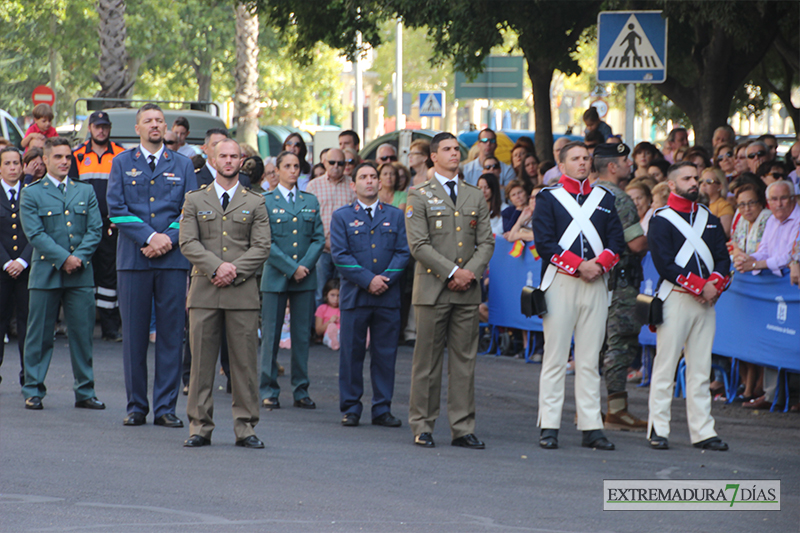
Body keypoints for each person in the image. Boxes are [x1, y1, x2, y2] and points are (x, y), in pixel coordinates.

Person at [107, 103, 198, 428]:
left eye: (160, 120)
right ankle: (136, 407)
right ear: (137, 128)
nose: (155, 125)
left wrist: (167, 239)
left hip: (172, 260)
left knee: (172, 334)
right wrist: (149, 237)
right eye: (148, 121)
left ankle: (165, 408)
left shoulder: (184, 164)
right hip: (134, 259)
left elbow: (190, 211)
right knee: (134, 336)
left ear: (167, 128)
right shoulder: (121, 162)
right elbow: (116, 209)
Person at [531, 141, 625, 451]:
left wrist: (598, 265)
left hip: (595, 280)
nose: (583, 163)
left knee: (589, 360)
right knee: (556, 358)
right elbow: (545, 243)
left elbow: (616, 240)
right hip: (561, 281)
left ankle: (591, 428)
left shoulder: (604, 198)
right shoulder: (549, 198)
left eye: (586, 158)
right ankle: (549, 425)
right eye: (575, 158)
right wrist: (579, 266)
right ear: (562, 166)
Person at [178, 138, 270, 449]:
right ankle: (200, 426)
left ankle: (245, 427)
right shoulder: (195, 200)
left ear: (242, 160)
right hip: (205, 290)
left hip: (242, 293)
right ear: (212, 159)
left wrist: (233, 270)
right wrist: (217, 268)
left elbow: (262, 247)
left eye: (234, 156)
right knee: (202, 363)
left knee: (244, 365)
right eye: (223, 156)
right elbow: (188, 242)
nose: (228, 161)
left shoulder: (256, 202)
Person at [405, 132, 494, 449]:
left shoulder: (474, 195)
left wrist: (470, 273)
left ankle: (462, 427)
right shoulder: (419, 196)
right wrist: (454, 272)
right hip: (433, 290)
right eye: (447, 149)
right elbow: (418, 245)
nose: (454, 153)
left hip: (466, 291)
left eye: (457, 149)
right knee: (426, 363)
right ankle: (423, 424)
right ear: (433, 156)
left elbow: (486, 241)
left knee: (464, 362)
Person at [647, 161, 731, 451]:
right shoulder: (660, 219)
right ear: (672, 185)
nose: (694, 182)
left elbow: (723, 258)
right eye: (687, 178)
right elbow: (665, 263)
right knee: (665, 366)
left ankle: (703, 431)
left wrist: (714, 285)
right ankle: (658, 429)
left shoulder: (708, 216)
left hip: (706, 300)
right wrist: (701, 286)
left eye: (696, 178)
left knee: (700, 368)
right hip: (676, 298)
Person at [19, 137, 104, 410]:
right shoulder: (31, 193)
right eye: (58, 157)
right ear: (45, 160)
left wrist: (77, 258)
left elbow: (95, 230)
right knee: (39, 335)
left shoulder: (85, 191)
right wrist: (64, 258)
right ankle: (33, 389)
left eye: (68, 157)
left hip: (80, 273)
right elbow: (35, 234)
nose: (64, 161)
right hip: (46, 273)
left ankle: (85, 390)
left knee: (82, 335)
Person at [331, 161, 410, 427]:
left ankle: (382, 408)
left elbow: (403, 252)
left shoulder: (395, 215)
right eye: (363, 177)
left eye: (373, 177)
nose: (369, 181)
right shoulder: (342, 216)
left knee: (385, 354)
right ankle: (351, 407)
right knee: (351, 354)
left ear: (379, 182)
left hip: (387, 295)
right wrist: (369, 280)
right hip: (356, 295)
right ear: (353, 185)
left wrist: (384, 279)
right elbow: (340, 256)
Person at [259, 151, 324, 410]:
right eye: (287, 166)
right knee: (271, 335)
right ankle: (268, 388)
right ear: (277, 171)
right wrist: (291, 268)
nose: (293, 171)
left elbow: (318, 238)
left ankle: (301, 389)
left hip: (304, 278)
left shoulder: (310, 200)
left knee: (300, 336)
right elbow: (264, 241)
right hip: (276, 275)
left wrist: (303, 267)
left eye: (296, 166)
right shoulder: (265, 200)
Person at [592, 143, 649, 431]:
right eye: (625, 160)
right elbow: (636, 243)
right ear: (612, 167)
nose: (630, 164)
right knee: (620, 342)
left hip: (595, 278)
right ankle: (616, 410)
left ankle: (587, 408)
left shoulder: (588, 193)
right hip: (621, 280)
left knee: (594, 343)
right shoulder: (620, 198)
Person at [68, 111, 126, 342]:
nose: (101, 130)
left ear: (109, 128)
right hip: (84, 226)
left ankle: (110, 328)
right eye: (97, 126)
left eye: (104, 126)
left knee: (109, 275)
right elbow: (71, 190)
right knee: (83, 274)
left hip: (111, 224)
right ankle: (83, 327)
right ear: (89, 128)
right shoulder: (78, 155)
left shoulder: (122, 154)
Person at [730, 183, 770, 403]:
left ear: (760, 202)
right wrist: (739, 255)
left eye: (751, 203)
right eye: (742, 204)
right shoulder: (741, 220)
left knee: (762, 335)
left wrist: (747, 260)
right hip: (745, 281)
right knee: (742, 334)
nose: (746, 209)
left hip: (764, 283)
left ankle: (759, 385)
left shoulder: (767, 218)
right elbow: (735, 243)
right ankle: (747, 381)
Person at [306, 148, 356, 307]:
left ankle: (342, 330)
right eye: (332, 162)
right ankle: (318, 331)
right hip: (321, 250)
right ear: (324, 163)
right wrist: (321, 240)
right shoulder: (313, 186)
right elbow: (308, 218)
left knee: (344, 291)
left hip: (346, 250)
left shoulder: (353, 186)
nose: (336, 166)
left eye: (341, 163)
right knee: (320, 291)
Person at [0, 147, 32, 386]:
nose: (12, 168)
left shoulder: (31, 194)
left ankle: (29, 377)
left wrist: (22, 260)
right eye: (7, 163)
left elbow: (38, 232)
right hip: (1, 271)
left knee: (27, 323)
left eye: (16, 163)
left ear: (22, 167)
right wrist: (5, 262)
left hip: (26, 270)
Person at [699, 168, 733, 237]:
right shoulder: (697, 204)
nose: (703, 184)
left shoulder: (724, 206)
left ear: (720, 186)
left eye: (709, 181)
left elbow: (724, 232)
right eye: (701, 181)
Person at [315, 279, 341, 350]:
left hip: (342, 334)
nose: (336, 299)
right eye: (332, 295)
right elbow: (318, 331)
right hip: (327, 334)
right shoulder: (322, 308)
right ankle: (333, 342)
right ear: (326, 295)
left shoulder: (343, 309)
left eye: (338, 296)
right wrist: (330, 322)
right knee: (331, 333)